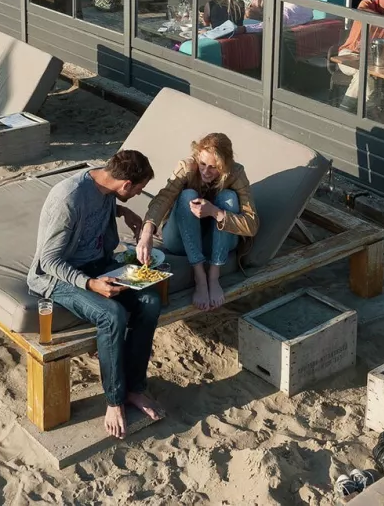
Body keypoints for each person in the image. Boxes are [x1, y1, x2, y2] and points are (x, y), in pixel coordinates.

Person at [26, 149, 162, 439]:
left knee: (150, 300)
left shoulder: (106, 180)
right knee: (112, 315)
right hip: (59, 277)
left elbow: (97, 208)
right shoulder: (69, 198)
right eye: (138, 189)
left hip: (100, 263)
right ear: (126, 184)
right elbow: (48, 262)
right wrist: (90, 284)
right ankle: (114, 401)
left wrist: (123, 211)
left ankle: (135, 389)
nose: (138, 193)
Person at [135, 133, 258, 311]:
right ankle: (200, 277)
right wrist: (146, 233)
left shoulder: (236, 173)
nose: (206, 172)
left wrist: (215, 212)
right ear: (197, 156)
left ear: (224, 166)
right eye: (202, 164)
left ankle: (213, 276)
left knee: (228, 197)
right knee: (187, 196)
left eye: (213, 167)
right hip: (181, 241)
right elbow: (163, 198)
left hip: (216, 243)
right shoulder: (187, 167)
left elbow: (251, 225)